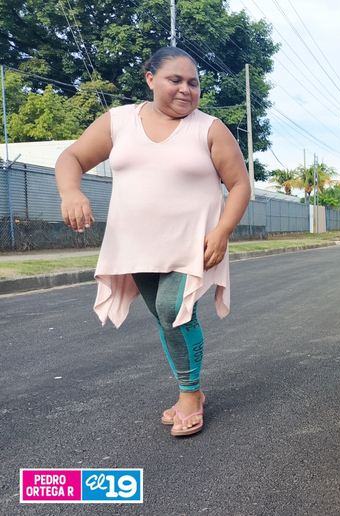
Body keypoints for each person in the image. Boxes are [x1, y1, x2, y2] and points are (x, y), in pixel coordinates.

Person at [55, 47, 251, 437]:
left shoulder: (208, 128)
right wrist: (70, 193)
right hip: (136, 245)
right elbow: (72, 157)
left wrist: (223, 231)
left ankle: (190, 394)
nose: (186, 90)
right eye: (175, 80)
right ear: (150, 79)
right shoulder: (119, 121)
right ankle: (189, 385)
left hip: (193, 242)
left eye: (193, 83)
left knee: (172, 308)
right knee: (166, 318)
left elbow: (240, 184)